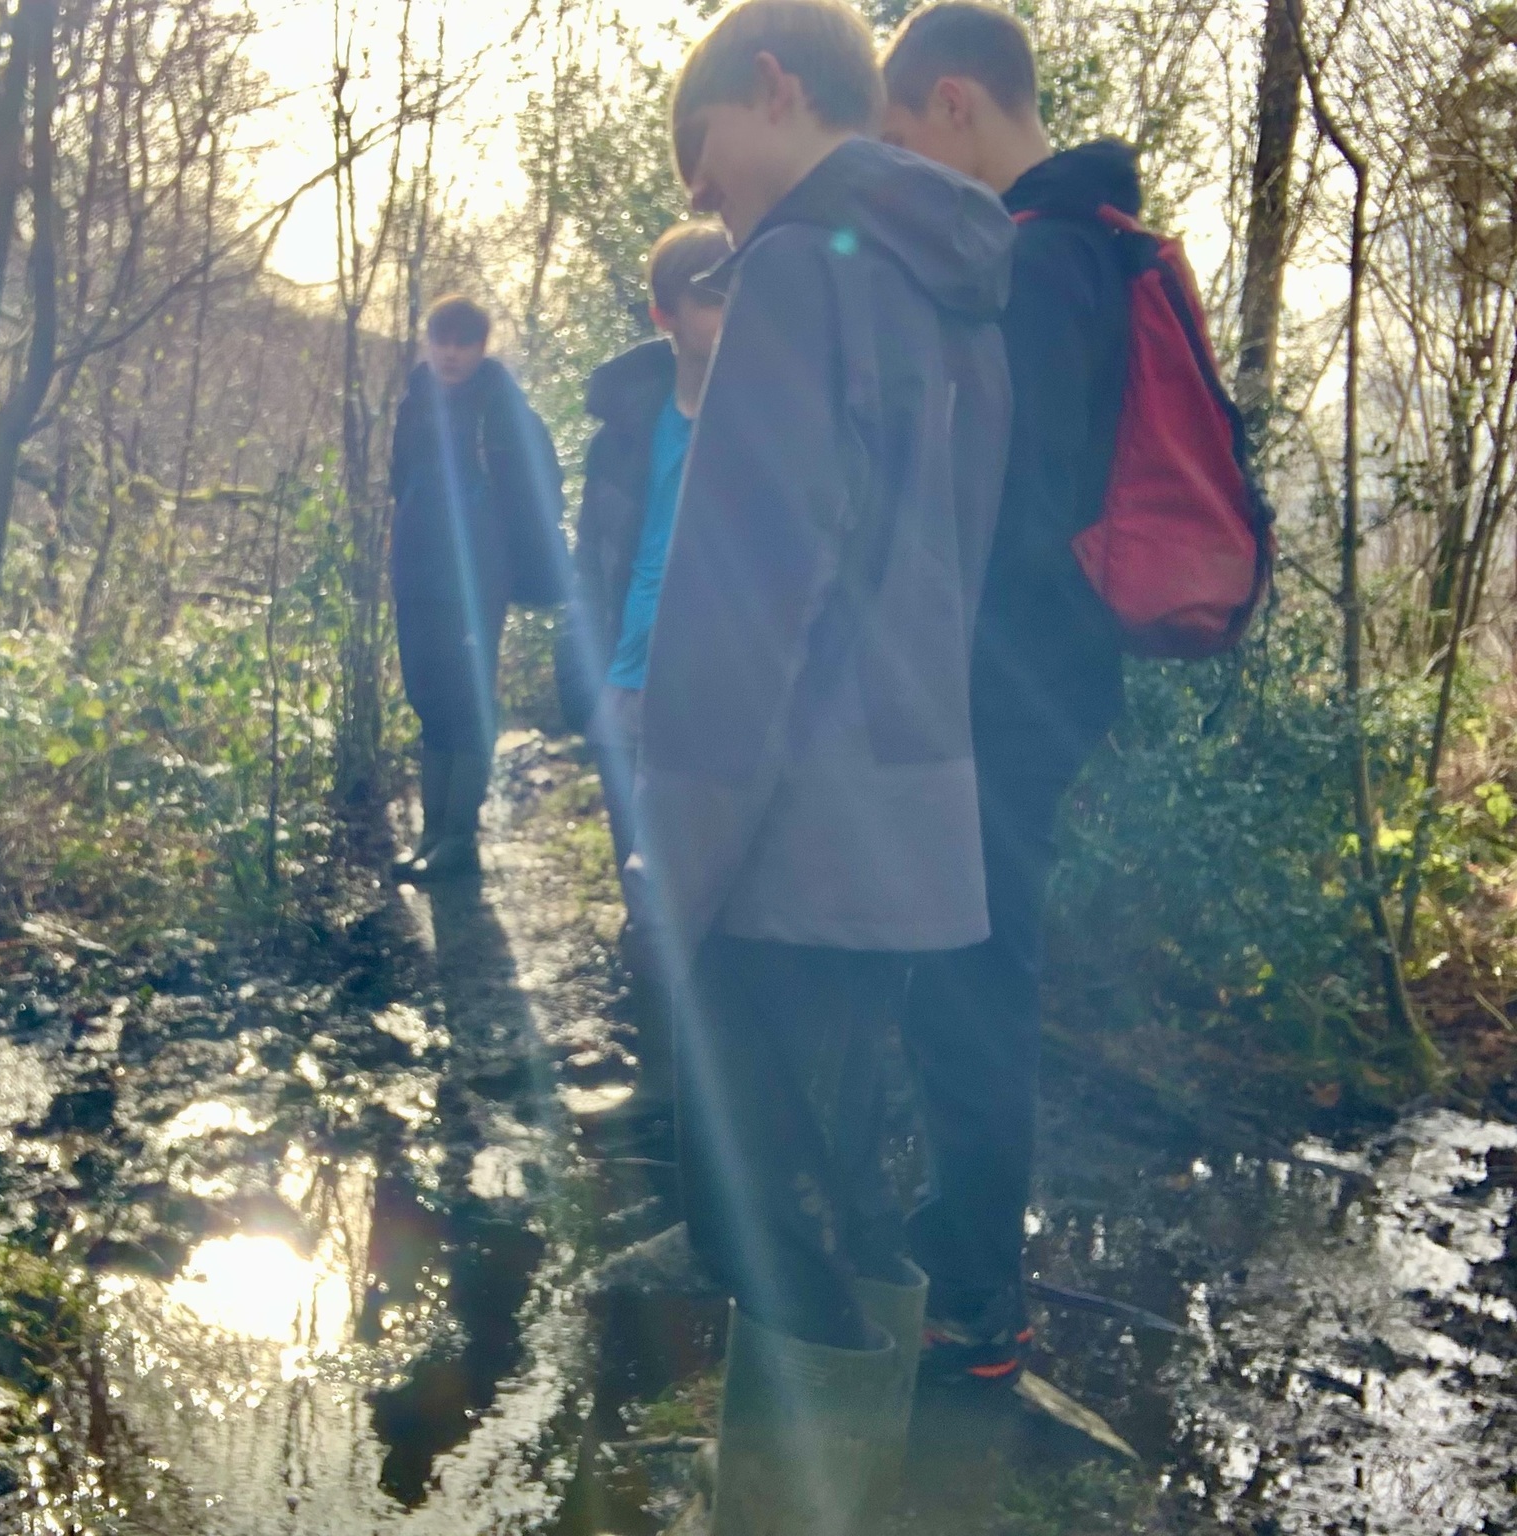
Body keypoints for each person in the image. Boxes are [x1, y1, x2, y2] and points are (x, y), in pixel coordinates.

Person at [633, 1, 1014, 1526]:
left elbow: (743, 605)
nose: (710, 207)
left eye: (704, 163)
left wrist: (673, 866)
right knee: (843, 1194)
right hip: (907, 826)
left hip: (790, 830)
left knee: (751, 1217)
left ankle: (787, 1507)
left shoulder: (803, 270)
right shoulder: (959, 274)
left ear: (774, 86)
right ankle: (841, 1492)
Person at [880, 1, 1135, 1388]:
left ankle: (972, 1302)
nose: (908, 170)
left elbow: (1012, 513)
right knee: (969, 981)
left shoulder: (1035, 263)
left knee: (970, 990)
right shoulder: (1087, 244)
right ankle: (965, 1271)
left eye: (905, 138)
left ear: (955, 104)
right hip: (1046, 680)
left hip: (1007, 687)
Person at [570, 220, 731, 1141]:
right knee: (645, 897)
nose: (730, 314)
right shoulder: (627, 431)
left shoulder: (770, 419)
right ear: (664, 314)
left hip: (718, 692)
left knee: (720, 894)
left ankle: (730, 1102)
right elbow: (592, 558)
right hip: (629, 685)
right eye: (710, 297)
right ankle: (662, 1083)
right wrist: (586, 673)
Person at [388, 296, 564, 883]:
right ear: (428, 341)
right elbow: (400, 484)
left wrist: (508, 553)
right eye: (442, 340)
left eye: (463, 342)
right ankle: (431, 834)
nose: (451, 353)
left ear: (482, 347)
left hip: (476, 580)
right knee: (428, 698)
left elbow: (544, 488)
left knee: (466, 701)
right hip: (417, 574)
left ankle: (458, 840)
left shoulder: (502, 410)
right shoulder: (415, 402)